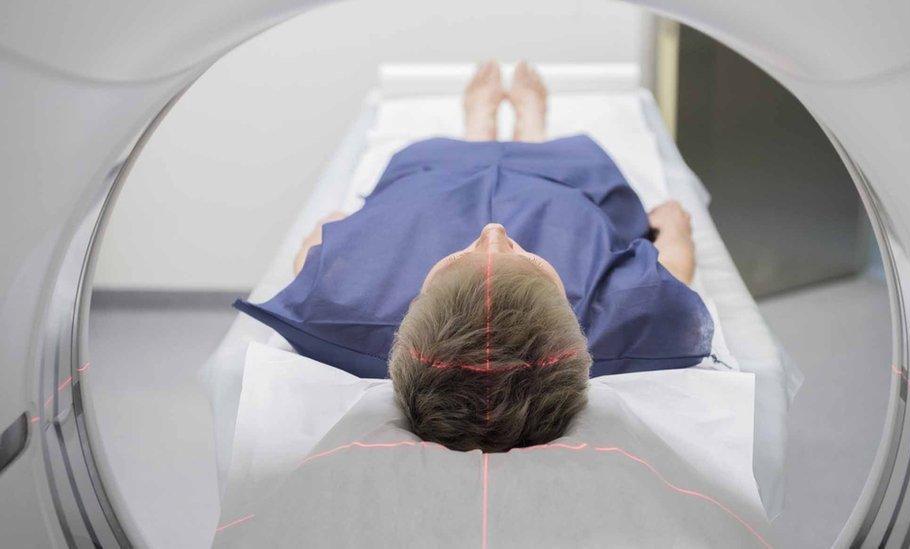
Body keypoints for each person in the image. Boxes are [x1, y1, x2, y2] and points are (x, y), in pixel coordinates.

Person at [235, 61, 709, 453]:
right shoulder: (618, 323)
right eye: (524, 260)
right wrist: (672, 224)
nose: (494, 231)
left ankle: (478, 127)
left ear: (420, 300)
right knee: (582, 178)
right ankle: (532, 129)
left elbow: (312, 249)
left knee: (425, 168)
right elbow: (674, 266)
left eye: (459, 259)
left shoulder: (343, 309)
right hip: (563, 189)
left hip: (435, 182)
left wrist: (335, 223)